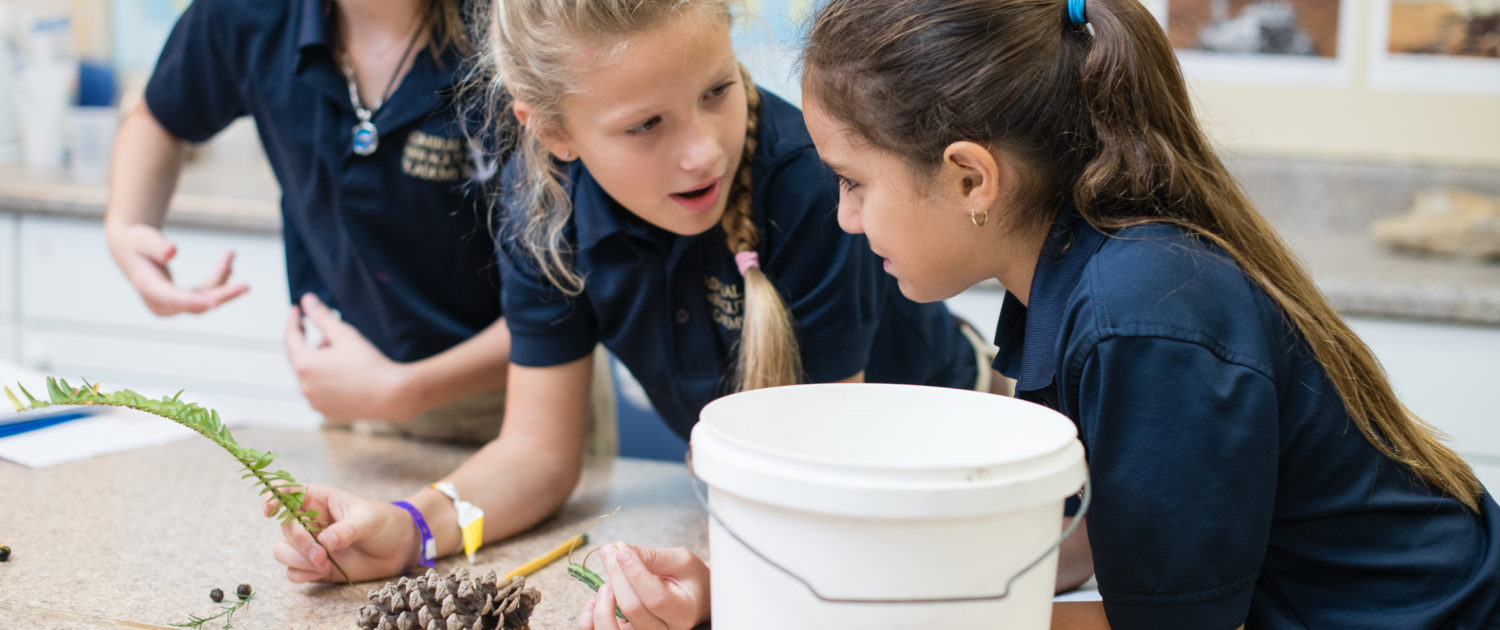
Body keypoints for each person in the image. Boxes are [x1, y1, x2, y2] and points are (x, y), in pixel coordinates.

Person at [585, 0, 1500, 628]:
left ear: (971, 177)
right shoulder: (1072, 278)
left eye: (854, 182)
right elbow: (1052, 547)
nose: (843, 217)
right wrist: (750, 593)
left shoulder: (1143, 313)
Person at [266, 0, 990, 592]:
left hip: (956, 475)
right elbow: (536, 455)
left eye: (717, 90)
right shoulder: (546, 211)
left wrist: (721, 589)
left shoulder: (807, 183)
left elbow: (836, 482)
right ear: (553, 132)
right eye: (646, 125)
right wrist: (409, 529)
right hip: (798, 524)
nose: (703, 148)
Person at [104, 0, 531, 442]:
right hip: (349, 397)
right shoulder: (248, 13)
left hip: (516, 402)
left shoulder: (514, 25)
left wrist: (401, 392)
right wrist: (127, 227)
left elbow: (559, 307)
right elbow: (159, 118)